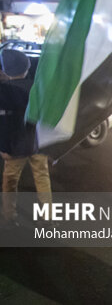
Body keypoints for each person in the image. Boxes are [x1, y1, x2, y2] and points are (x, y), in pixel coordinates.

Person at [0, 49, 52, 227]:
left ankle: (10, 216)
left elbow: (3, 124)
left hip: (14, 146)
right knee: (42, 176)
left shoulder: (4, 92)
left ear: (5, 70)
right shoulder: (37, 89)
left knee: (10, 180)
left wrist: (3, 147)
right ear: (27, 67)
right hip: (36, 142)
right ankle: (48, 216)